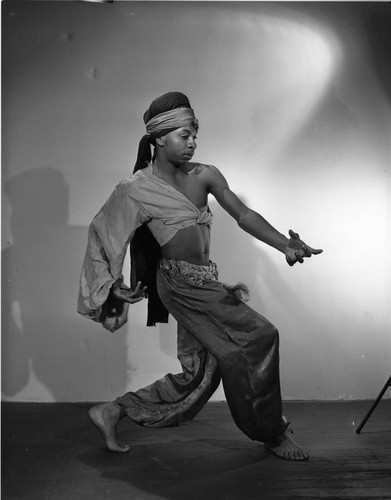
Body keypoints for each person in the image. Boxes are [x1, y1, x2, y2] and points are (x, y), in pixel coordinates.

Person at [78, 92, 322, 461]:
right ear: (159, 138)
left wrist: (283, 246)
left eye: (194, 134)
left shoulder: (205, 174)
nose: (192, 142)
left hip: (204, 278)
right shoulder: (136, 188)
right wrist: (113, 285)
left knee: (201, 371)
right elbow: (104, 231)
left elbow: (243, 215)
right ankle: (270, 431)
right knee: (260, 335)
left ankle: (113, 410)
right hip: (179, 283)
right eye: (183, 135)